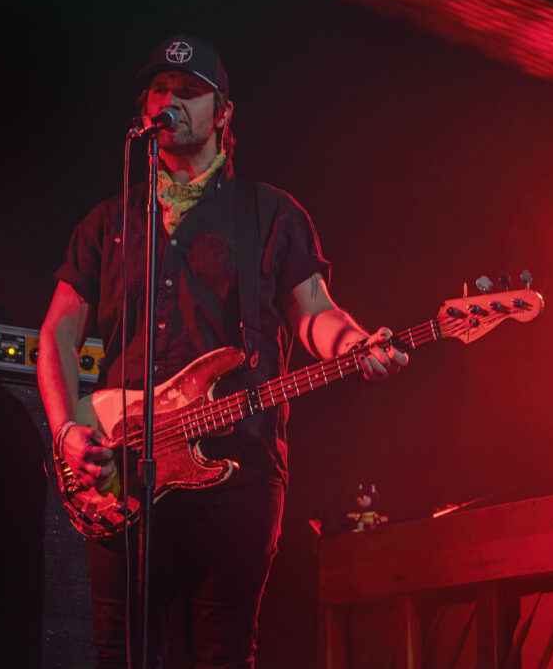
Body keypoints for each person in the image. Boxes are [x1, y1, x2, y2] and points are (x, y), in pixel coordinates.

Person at [37, 34, 408, 668]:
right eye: (159, 90)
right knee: (119, 653)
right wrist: (67, 428)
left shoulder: (270, 214)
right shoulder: (109, 222)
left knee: (223, 655)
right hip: (121, 468)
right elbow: (56, 334)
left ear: (223, 113)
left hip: (238, 470)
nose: (170, 101)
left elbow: (315, 313)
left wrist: (354, 343)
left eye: (188, 92)